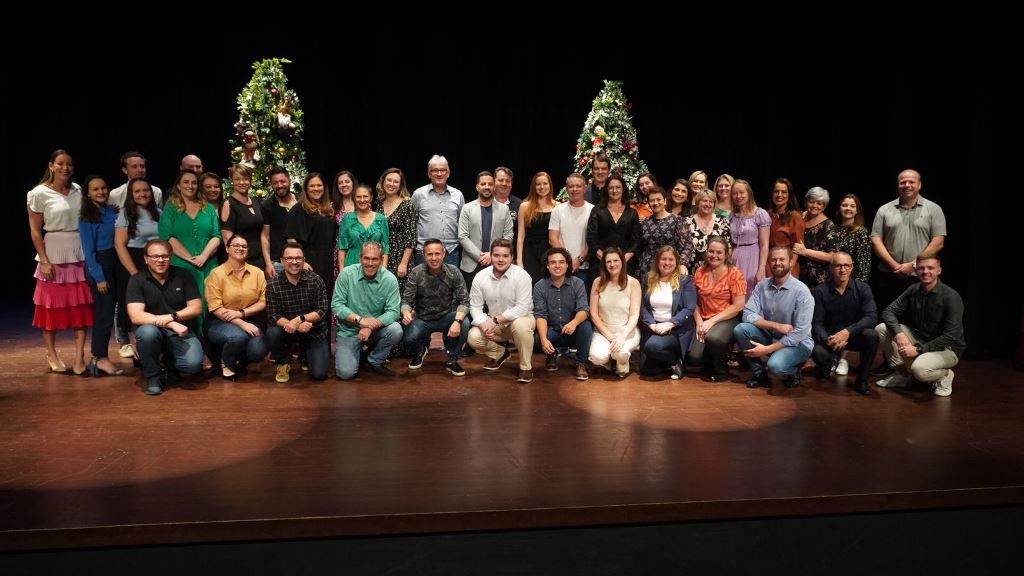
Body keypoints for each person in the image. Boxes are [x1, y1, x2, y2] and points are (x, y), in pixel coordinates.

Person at [28, 150, 92, 375]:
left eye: (69, 164)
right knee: (50, 307)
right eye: (61, 164)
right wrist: (45, 260)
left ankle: (79, 357)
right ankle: (52, 354)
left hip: (78, 251)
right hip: (53, 252)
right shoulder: (38, 193)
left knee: (80, 307)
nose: (66, 168)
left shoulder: (78, 190)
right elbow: (35, 231)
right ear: (51, 166)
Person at [875, 252, 964, 397]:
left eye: (930, 268)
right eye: (921, 268)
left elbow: (951, 335)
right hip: (922, 339)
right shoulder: (914, 289)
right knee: (882, 329)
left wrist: (918, 350)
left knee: (919, 370)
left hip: (948, 348)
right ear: (916, 271)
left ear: (939, 270)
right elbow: (888, 311)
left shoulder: (951, 296)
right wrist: (899, 334)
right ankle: (903, 375)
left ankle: (945, 375)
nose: (925, 271)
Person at [126, 240, 204, 395]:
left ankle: (166, 363)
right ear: (146, 259)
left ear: (170, 257)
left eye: (164, 256)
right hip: (152, 330)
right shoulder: (137, 280)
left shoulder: (184, 275)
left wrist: (172, 317)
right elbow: (136, 316)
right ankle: (153, 377)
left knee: (193, 364)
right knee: (147, 333)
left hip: (180, 332)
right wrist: (172, 323)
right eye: (155, 256)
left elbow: (196, 308)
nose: (160, 260)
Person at [734, 246, 814, 389]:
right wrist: (775, 326)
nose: (777, 263)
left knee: (775, 366)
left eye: (782, 259)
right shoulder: (762, 285)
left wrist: (767, 350)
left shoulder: (802, 292)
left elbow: (800, 332)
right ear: (769, 263)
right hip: (773, 335)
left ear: (791, 262)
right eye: (774, 260)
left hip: (798, 343)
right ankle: (759, 374)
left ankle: (794, 371)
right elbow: (747, 314)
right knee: (741, 329)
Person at [871, 169, 946, 310]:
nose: (907, 185)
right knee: (888, 315)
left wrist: (913, 265)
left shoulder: (934, 209)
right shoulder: (884, 209)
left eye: (911, 182)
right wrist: (894, 266)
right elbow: (876, 240)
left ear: (919, 185)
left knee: (919, 316)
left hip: (921, 275)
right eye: (903, 182)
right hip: (889, 274)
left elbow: (938, 242)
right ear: (898, 185)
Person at [158, 169, 221, 337]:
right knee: (185, 304)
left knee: (209, 303)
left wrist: (203, 257)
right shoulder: (171, 208)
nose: (190, 186)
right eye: (186, 182)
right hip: (181, 265)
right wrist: (190, 258)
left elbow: (217, 236)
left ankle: (209, 344)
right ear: (178, 185)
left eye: (194, 182)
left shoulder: (207, 208)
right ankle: (189, 342)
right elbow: (166, 236)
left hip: (207, 265)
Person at [331, 241, 403, 379]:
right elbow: (337, 305)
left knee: (395, 330)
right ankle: (359, 354)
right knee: (345, 374)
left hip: (375, 330)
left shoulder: (390, 279)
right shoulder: (346, 274)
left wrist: (370, 326)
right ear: (360, 258)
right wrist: (360, 321)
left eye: (375, 259)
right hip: (349, 330)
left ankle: (373, 361)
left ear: (381, 260)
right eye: (366, 258)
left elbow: (394, 311)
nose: (370, 263)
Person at [468, 239, 536, 383]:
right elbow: (475, 306)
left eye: (505, 256)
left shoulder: (522, 276)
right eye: (496, 255)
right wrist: (483, 324)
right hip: (496, 324)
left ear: (512, 257)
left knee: (521, 325)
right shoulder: (480, 277)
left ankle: (526, 367)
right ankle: (500, 354)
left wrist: (494, 321)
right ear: (491, 256)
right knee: (473, 337)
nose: (500, 260)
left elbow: (522, 307)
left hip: (521, 319)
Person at [810, 252, 879, 395]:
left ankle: (862, 380)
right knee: (816, 351)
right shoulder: (820, 290)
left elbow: (871, 317)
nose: (842, 270)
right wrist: (827, 339)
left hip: (853, 336)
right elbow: (817, 322)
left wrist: (848, 332)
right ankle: (826, 366)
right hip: (830, 337)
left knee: (871, 335)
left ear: (851, 268)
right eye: (838, 266)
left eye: (846, 265)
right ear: (831, 268)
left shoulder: (863, 288)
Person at [401, 238, 471, 376]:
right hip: (422, 318)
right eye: (430, 254)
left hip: (445, 316)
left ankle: (452, 359)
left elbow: (464, 301)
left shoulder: (453, 271)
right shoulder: (416, 272)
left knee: (464, 323)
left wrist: (457, 321)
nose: (434, 258)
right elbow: (406, 301)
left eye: (437, 254)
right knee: (408, 335)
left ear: (444, 254)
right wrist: (406, 313)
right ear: (423, 255)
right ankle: (420, 349)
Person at [204, 235, 268, 379]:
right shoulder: (216, 274)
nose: (241, 248)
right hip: (218, 321)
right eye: (236, 245)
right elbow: (216, 308)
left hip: (249, 319)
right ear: (227, 249)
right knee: (237, 337)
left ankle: (240, 358)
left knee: (258, 350)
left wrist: (241, 313)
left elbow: (263, 302)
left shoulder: (257, 273)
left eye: (244, 246)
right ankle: (227, 361)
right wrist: (242, 324)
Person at [265, 242, 329, 383]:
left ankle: (305, 356)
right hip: (287, 330)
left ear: (304, 260)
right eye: (289, 258)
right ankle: (282, 362)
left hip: (313, 330)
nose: (294, 262)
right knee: (272, 332)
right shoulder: (273, 284)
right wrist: (294, 325)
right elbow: (273, 315)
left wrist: (299, 319)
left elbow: (322, 311)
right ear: (282, 261)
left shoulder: (315, 280)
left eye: (298, 258)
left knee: (319, 374)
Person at [79, 175, 123, 376]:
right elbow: (88, 252)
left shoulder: (110, 211)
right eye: (95, 189)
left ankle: (101, 356)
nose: (100, 192)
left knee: (111, 311)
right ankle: (99, 357)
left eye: (103, 188)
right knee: (104, 314)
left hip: (114, 259)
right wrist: (99, 277)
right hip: (100, 264)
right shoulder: (86, 218)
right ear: (88, 193)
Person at [686, 236, 746, 382]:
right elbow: (693, 301)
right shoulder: (700, 271)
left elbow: (738, 305)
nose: (714, 255)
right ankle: (711, 363)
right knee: (694, 357)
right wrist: (699, 322)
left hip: (727, 318)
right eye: (711, 251)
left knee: (713, 338)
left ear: (726, 255)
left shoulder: (734, 273)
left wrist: (711, 322)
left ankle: (721, 371)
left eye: (719, 252)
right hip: (704, 318)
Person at [114, 177, 161, 360]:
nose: (142, 194)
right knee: (135, 306)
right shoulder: (125, 214)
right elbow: (119, 245)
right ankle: (138, 350)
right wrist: (134, 273)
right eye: (137, 191)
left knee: (154, 303)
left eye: (145, 190)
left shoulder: (159, 212)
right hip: (132, 263)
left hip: (154, 262)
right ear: (131, 195)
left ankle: (155, 347)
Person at [533, 247, 592, 380]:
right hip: (552, 330)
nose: (557, 265)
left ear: (567, 265)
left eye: (561, 262)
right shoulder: (540, 286)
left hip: (572, 330)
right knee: (537, 340)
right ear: (547, 266)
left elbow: (584, 310)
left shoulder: (578, 283)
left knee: (586, 326)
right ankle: (551, 355)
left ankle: (581, 363)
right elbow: (540, 315)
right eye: (553, 262)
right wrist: (543, 339)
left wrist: (574, 322)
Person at [639, 246, 696, 379]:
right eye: (663, 259)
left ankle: (675, 361)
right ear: (657, 261)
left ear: (676, 263)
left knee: (652, 347)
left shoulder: (684, 281)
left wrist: (670, 324)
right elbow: (642, 307)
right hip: (654, 328)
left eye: (671, 259)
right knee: (647, 370)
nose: (667, 263)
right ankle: (669, 360)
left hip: (676, 329)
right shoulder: (647, 278)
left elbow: (689, 308)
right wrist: (652, 324)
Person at [588, 247, 642, 377]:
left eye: (616, 260)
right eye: (609, 261)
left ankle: (621, 361)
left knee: (620, 353)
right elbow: (593, 314)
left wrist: (622, 337)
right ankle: (607, 360)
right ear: (604, 264)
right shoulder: (597, 282)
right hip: (603, 331)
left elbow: (634, 315)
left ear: (622, 261)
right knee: (597, 357)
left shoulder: (633, 283)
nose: (612, 264)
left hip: (627, 332)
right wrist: (609, 336)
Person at [287, 173, 338, 301]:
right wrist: (301, 261)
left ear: (324, 188)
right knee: (311, 297)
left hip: (328, 259)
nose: (316, 188)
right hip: (310, 259)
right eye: (312, 186)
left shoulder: (328, 209)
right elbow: (291, 239)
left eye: (319, 185)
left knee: (326, 296)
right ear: (306, 189)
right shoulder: (299, 209)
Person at [460, 171, 514, 289]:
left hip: (496, 264)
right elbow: (462, 236)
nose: (487, 187)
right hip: (471, 265)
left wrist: (492, 254)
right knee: (471, 298)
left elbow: (509, 235)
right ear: (477, 187)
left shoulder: (504, 209)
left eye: (490, 184)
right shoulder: (467, 208)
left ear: (494, 187)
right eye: (483, 184)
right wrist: (480, 257)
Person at [412, 155, 464, 266]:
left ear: (448, 173)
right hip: (424, 253)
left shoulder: (458, 195)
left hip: (451, 252)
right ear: (429, 173)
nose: (439, 174)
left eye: (443, 170)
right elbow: (412, 223)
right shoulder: (418, 194)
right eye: (435, 170)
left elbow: (462, 223)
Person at [586, 175, 640, 277]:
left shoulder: (632, 212)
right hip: (600, 264)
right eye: (611, 188)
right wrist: (606, 260)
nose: (614, 191)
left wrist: (622, 261)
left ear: (623, 190)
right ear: (606, 190)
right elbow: (591, 238)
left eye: (618, 187)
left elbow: (636, 240)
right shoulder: (597, 210)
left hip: (626, 265)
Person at [549, 173, 594, 289]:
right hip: (561, 268)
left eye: (578, 186)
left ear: (584, 189)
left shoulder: (593, 210)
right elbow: (553, 238)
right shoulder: (558, 210)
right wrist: (567, 260)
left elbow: (593, 239)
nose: (574, 189)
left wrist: (579, 259)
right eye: (571, 186)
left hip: (585, 268)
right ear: (566, 188)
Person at [729, 179, 771, 296]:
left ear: (749, 193)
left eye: (742, 192)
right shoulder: (732, 215)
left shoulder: (760, 214)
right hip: (734, 258)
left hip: (753, 258)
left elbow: (764, 245)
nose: (738, 196)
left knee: (750, 293)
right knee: (734, 293)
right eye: (735, 193)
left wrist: (761, 268)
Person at [638, 186, 691, 276]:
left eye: (658, 199)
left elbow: (687, 246)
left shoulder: (677, 220)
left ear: (665, 200)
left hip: (669, 267)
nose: (655, 203)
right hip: (647, 269)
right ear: (649, 203)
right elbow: (640, 247)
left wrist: (682, 264)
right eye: (652, 200)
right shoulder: (645, 222)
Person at [220, 163, 264, 269]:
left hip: (259, 259)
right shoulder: (229, 204)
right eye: (237, 179)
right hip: (240, 260)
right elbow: (227, 238)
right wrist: (237, 263)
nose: (242, 182)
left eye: (245, 179)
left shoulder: (256, 201)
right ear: (232, 181)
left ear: (251, 181)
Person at [793, 186, 839, 288]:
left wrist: (805, 252)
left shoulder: (829, 226)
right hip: (795, 273)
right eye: (812, 202)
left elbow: (832, 257)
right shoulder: (798, 216)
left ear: (824, 207)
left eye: (819, 203)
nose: (814, 206)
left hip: (818, 280)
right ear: (806, 202)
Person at [337, 183, 390, 269]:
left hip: (374, 266)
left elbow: (385, 249)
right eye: (358, 197)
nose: (362, 200)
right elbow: (342, 249)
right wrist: (342, 272)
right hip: (352, 265)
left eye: (365, 196)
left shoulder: (381, 219)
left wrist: (383, 271)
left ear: (371, 198)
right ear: (354, 198)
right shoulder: (347, 219)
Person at [515, 171, 556, 283]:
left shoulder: (557, 206)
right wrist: (519, 260)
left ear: (550, 185)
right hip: (529, 251)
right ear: (534, 186)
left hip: (548, 251)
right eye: (538, 184)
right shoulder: (525, 206)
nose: (542, 187)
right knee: (529, 283)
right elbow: (520, 235)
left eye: (545, 183)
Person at [260, 167, 297, 279]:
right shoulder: (267, 206)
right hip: (277, 263)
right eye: (275, 183)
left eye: (282, 181)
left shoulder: (300, 202)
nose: (279, 185)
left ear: (289, 180)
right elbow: (265, 236)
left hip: (300, 260)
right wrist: (268, 263)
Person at [766, 178, 805, 279]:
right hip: (769, 264)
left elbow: (797, 248)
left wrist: (789, 270)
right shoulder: (767, 215)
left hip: (787, 266)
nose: (779, 195)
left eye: (784, 192)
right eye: (776, 191)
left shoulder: (795, 217)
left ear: (789, 195)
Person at [686, 189, 731, 272]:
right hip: (692, 271)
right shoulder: (687, 222)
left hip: (717, 271)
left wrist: (726, 267)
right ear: (697, 202)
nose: (708, 204)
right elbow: (683, 248)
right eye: (704, 201)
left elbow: (728, 247)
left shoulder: (723, 221)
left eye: (711, 202)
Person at [834, 194, 872, 282]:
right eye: (844, 205)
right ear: (839, 208)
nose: (848, 208)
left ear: (856, 210)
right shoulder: (833, 229)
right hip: (833, 280)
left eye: (852, 206)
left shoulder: (861, 232)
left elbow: (864, 266)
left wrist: (858, 286)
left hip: (852, 282)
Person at [199, 172, 227, 265]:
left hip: (225, 256)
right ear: (201, 188)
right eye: (208, 187)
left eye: (216, 186)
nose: (213, 190)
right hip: (203, 256)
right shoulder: (196, 208)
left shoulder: (226, 205)